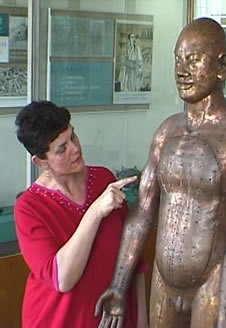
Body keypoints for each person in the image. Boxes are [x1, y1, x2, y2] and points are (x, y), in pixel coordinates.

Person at [95, 17, 226, 328]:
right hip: (164, 279)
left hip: (212, 281)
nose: (182, 70)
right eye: (178, 59)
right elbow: (143, 213)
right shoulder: (167, 132)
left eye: (194, 58)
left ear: (222, 65)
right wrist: (118, 285)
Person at [14, 101, 149, 328]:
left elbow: (133, 255)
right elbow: (62, 278)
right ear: (41, 162)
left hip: (114, 317)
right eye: (61, 148)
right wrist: (95, 211)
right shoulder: (29, 208)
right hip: (58, 319)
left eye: (73, 137)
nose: (75, 149)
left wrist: (143, 321)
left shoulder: (104, 179)